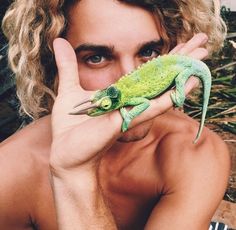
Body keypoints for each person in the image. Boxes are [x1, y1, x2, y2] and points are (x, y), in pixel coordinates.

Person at [0, 0, 231, 229]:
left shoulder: (197, 151)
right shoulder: (9, 172)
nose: (128, 76)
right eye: (96, 58)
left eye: (148, 52)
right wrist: (73, 173)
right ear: (54, 69)